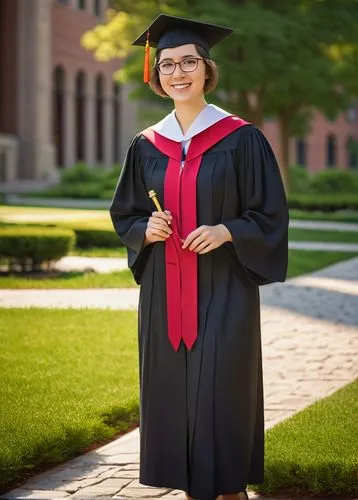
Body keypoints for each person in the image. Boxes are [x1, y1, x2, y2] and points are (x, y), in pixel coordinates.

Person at [110, 14, 289, 500]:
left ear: (207, 69)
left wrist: (228, 230)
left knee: (222, 389)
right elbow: (124, 213)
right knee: (172, 392)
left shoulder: (240, 138)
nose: (177, 72)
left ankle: (230, 488)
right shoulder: (147, 144)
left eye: (188, 61)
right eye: (167, 64)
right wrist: (145, 230)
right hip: (165, 295)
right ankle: (189, 487)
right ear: (157, 75)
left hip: (224, 288)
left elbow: (270, 213)